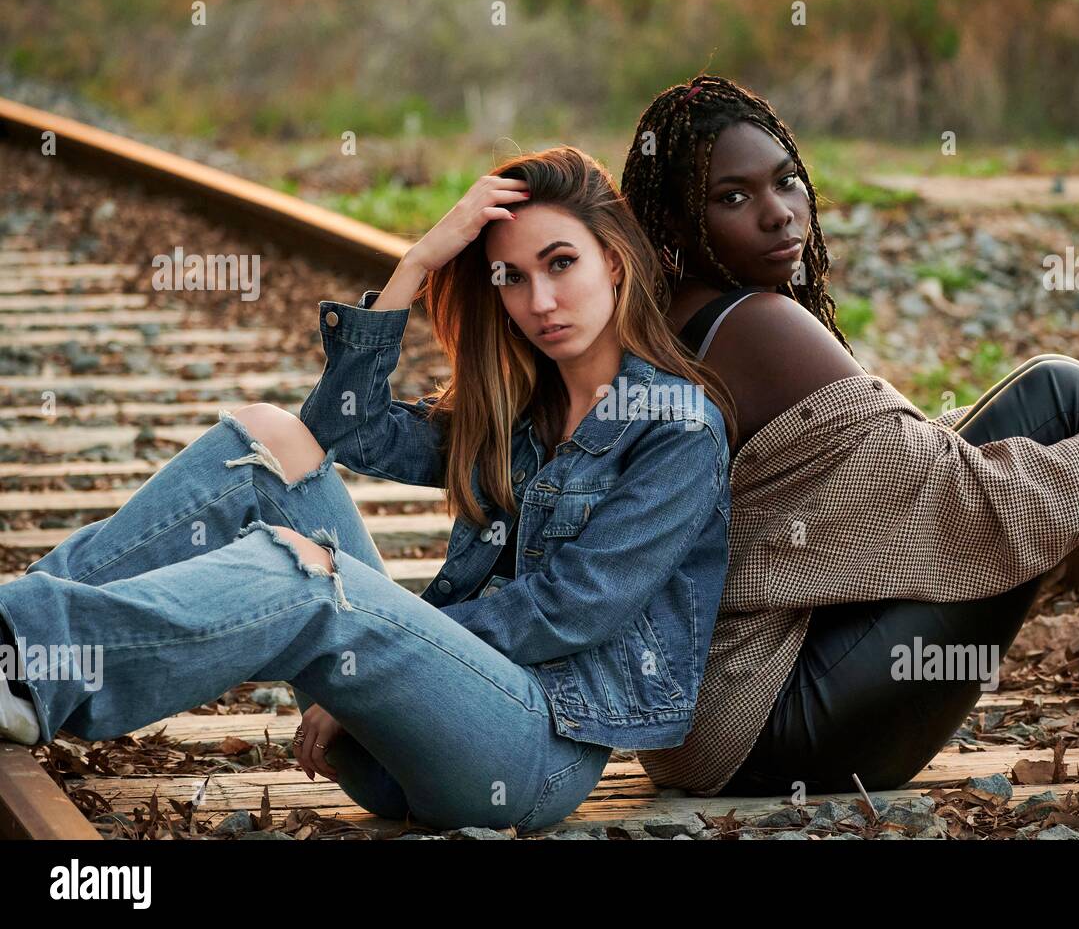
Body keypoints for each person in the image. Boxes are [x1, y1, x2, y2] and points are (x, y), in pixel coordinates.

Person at [0, 146, 734, 833]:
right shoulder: (518, 409)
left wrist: (387, 639)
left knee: (311, 573)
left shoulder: (676, 427)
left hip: (531, 755)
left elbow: (572, 612)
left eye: (561, 264)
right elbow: (343, 428)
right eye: (512, 277)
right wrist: (416, 262)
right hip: (403, 738)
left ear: (613, 262)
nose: (539, 300)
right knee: (265, 440)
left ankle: (38, 660)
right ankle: (15, 643)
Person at [620, 74, 1079, 798]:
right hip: (775, 729)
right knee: (1060, 400)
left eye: (787, 182)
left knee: (1059, 396)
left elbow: (891, 476)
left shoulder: (677, 319)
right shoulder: (757, 325)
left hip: (721, 725)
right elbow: (970, 498)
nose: (779, 215)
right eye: (733, 197)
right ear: (671, 221)